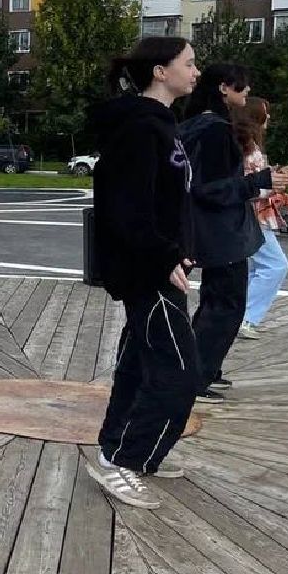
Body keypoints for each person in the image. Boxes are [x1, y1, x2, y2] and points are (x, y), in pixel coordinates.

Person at [85, 36, 201, 509]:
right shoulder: (139, 129)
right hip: (148, 272)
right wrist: (163, 257)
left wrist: (181, 251)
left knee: (136, 368)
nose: (196, 72)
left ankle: (124, 454)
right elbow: (126, 209)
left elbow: (168, 201)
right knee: (179, 372)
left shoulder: (162, 125)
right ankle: (125, 460)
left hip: (161, 264)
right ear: (160, 71)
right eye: (189, 63)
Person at [178, 65, 288, 400]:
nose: (246, 94)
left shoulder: (191, 126)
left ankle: (201, 370)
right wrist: (259, 182)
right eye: (242, 88)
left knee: (215, 303)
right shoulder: (216, 130)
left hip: (205, 228)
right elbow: (210, 188)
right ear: (224, 89)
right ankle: (198, 376)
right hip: (222, 231)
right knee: (226, 304)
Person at [235, 97, 288, 339]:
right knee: (275, 265)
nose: (268, 118)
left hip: (251, 215)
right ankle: (245, 317)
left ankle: (241, 315)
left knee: (261, 266)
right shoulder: (252, 151)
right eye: (265, 113)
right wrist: (275, 184)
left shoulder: (247, 147)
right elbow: (254, 187)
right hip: (254, 217)